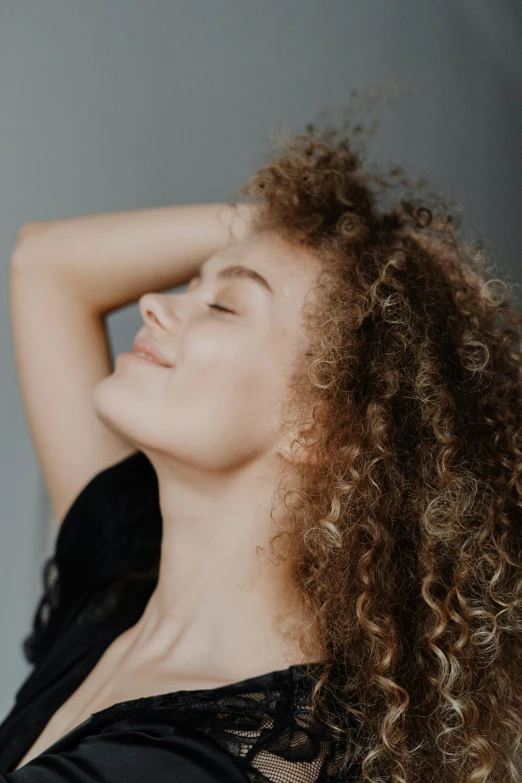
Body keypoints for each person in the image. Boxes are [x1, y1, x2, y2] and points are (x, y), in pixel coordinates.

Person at [1, 116, 521, 783]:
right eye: (195, 284)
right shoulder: (123, 584)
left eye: (223, 306)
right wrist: (340, 240)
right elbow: (45, 266)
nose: (156, 302)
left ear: (318, 421)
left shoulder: (203, 764)